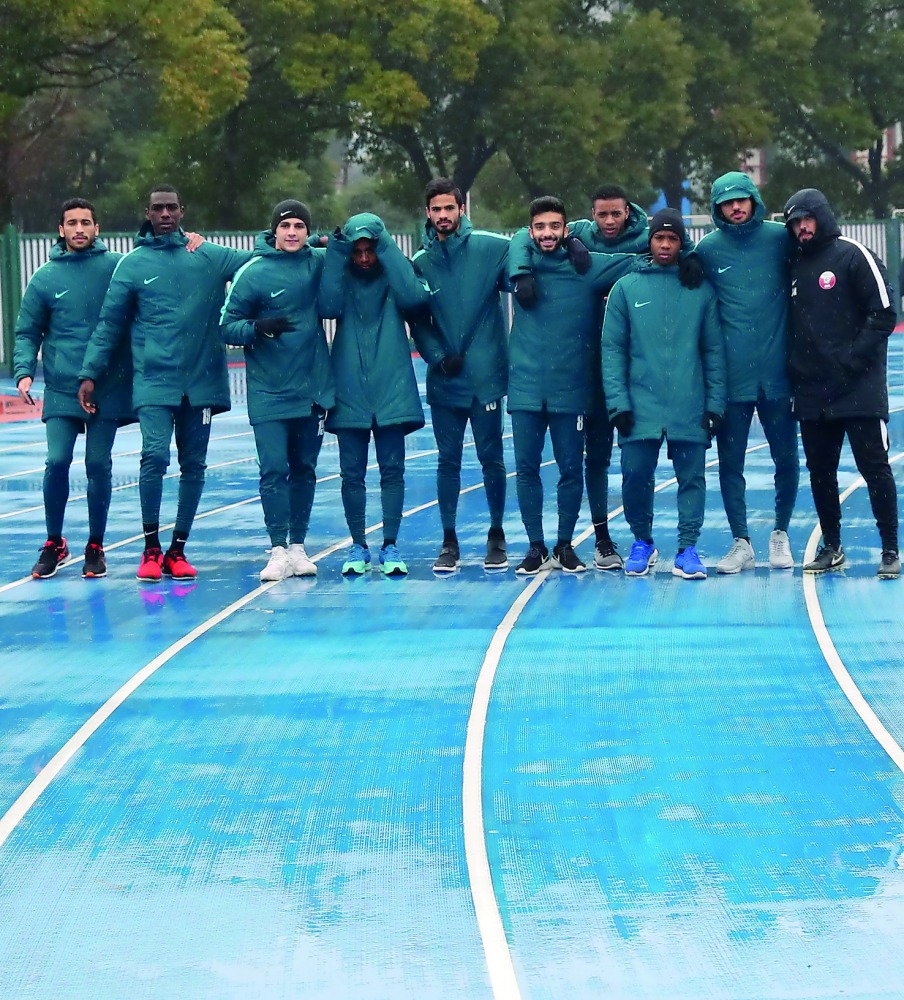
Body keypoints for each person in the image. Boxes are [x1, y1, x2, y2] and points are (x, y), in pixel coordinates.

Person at [507, 185, 702, 571]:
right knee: (585, 461)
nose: (609, 221)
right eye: (602, 215)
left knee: (620, 461)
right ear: (591, 215)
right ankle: (592, 538)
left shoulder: (643, 239)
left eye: (616, 214)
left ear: (629, 212)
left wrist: (691, 254)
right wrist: (523, 269)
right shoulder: (578, 233)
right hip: (579, 371)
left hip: (625, 370)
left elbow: (668, 244)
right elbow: (521, 235)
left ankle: (624, 540)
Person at [79, 185, 251, 582]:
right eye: (158, 208)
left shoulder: (207, 255)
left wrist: (315, 242)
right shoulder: (133, 264)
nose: (165, 214)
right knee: (154, 457)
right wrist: (89, 373)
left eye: (171, 207)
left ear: (182, 211)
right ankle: (151, 548)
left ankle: (178, 549)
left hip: (202, 382)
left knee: (194, 465)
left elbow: (262, 258)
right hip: (155, 381)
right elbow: (109, 324)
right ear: (148, 213)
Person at [507, 195, 639, 576]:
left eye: (555, 226)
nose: (547, 234)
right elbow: (511, 243)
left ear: (567, 230)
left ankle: (564, 545)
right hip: (526, 388)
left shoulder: (587, 267)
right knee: (526, 469)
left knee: (570, 469)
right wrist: (521, 270)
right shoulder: (516, 266)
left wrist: (689, 257)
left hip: (571, 389)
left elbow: (642, 258)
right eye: (539, 227)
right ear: (530, 231)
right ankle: (535, 546)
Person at [602, 208, 726, 580]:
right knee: (635, 476)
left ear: (682, 242)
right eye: (660, 237)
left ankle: (688, 548)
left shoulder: (700, 289)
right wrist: (618, 404)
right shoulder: (626, 288)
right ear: (650, 240)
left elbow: (713, 350)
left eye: (673, 238)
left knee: (692, 479)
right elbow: (612, 350)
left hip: (689, 403)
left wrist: (714, 403)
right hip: (640, 405)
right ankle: (642, 541)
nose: (666, 245)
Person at [783, 188, 899, 578]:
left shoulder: (853, 254)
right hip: (811, 390)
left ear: (822, 216)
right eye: (795, 222)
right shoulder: (793, 264)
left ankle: (890, 549)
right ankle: (832, 546)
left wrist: (852, 359)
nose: (802, 227)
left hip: (857, 387)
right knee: (820, 472)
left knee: (874, 468)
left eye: (807, 218)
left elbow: (884, 313)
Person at [14, 198, 132, 579]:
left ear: (97, 228)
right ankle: (54, 542)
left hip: (106, 387)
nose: (79, 229)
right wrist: (24, 371)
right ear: (61, 230)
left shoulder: (117, 269)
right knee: (57, 461)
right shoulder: (45, 277)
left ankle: (95, 545)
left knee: (98, 464)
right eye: (72, 223)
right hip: (62, 388)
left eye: (85, 222)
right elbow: (27, 331)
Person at [220, 200, 334, 582]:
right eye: (285, 226)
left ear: (307, 231)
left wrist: (331, 240)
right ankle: (278, 549)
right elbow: (226, 326)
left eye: (299, 226)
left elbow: (350, 254)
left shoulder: (318, 263)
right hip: (269, 390)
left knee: (304, 469)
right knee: (273, 469)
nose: (292, 232)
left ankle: (298, 547)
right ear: (274, 231)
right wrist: (258, 327)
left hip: (312, 388)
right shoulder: (253, 271)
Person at [695, 171, 799, 573]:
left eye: (741, 199)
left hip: (779, 374)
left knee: (786, 457)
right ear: (716, 208)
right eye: (727, 202)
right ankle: (741, 541)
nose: (735, 208)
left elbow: (823, 251)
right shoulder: (708, 249)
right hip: (731, 378)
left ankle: (781, 533)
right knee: (730, 462)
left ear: (754, 199)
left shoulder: (780, 238)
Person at [318, 213, 429, 576]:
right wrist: (336, 252)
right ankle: (358, 546)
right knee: (351, 474)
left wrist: (388, 249)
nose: (364, 258)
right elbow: (328, 306)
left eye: (371, 250)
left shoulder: (395, 276)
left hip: (392, 386)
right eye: (357, 251)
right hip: (348, 387)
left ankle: (390, 545)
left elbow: (415, 298)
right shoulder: (341, 276)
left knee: (393, 471)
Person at [409, 178, 510, 573]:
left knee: (491, 458)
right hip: (445, 381)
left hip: (484, 379)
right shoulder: (421, 261)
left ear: (461, 209)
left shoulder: (490, 247)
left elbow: (530, 245)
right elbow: (418, 320)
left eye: (449, 208)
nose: (443, 215)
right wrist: (437, 357)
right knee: (447, 460)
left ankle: (496, 534)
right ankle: (449, 540)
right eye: (436, 209)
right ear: (428, 213)